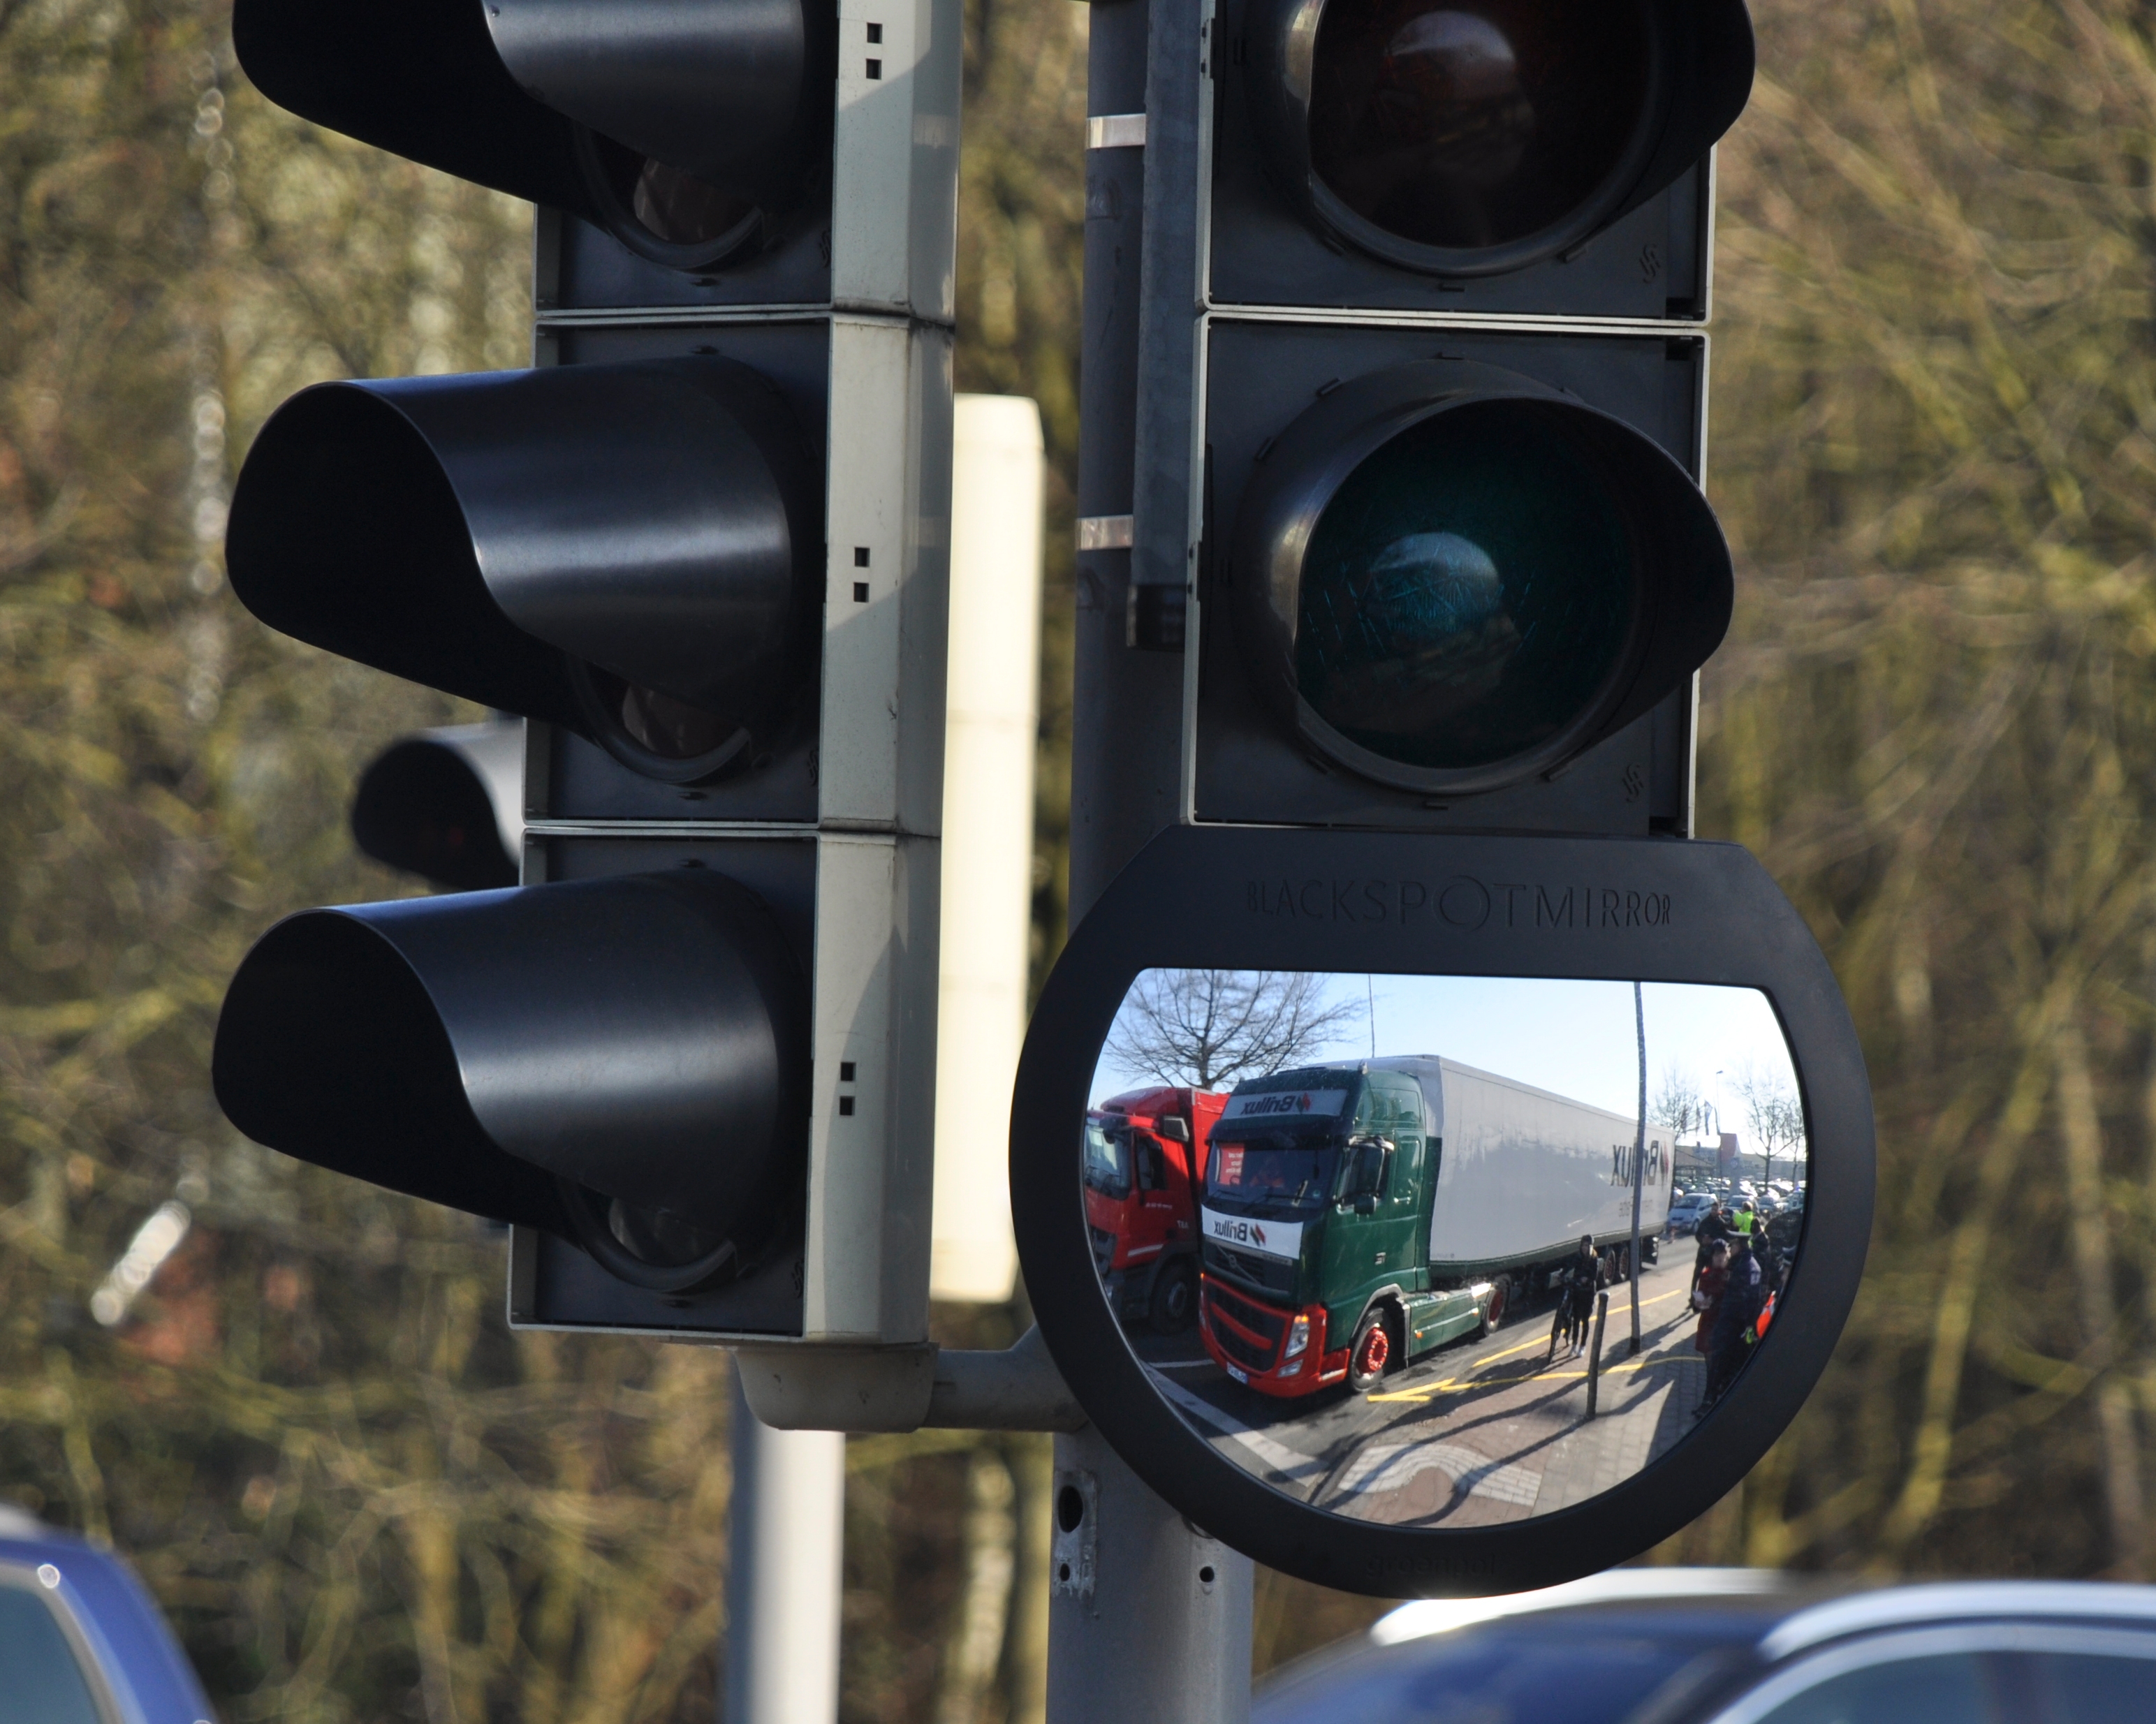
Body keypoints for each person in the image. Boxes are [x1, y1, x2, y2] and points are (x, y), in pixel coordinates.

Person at [1701, 1235, 1765, 1413]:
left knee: (1721, 1366)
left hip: (1733, 1327)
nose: (1730, 1249)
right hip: (1729, 1325)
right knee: (1720, 1367)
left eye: (1733, 1246)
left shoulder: (1748, 1267)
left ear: (1740, 1246)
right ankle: (1710, 1401)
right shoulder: (1740, 1264)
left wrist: (1746, 1328)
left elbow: (1751, 1301)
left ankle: (1710, 1404)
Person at [1553, 1234, 1605, 1358]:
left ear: (1591, 1247)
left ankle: (1583, 1346)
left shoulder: (1594, 1259)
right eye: (1583, 1245)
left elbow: (1594, 1275)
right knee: (1576, 1319)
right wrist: (1561, 1275)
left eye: (1587, 1246)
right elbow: (1570, 1266)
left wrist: (1586, 1280)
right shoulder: (1578, 1257)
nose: (1584, 1248)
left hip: (1588, 1292)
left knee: (1585, 1320)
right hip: (1577, 1290)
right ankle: (1574, 1345)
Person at [1692, 1239, 1731, 1358]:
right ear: (1712, 1256)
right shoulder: (1706, 1275)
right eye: (1717, 1254)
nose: (1720, 1257)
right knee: (1708, 1356)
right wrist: (1698, 1303)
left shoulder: (1730, 1274)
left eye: (1722, 1254)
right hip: (1709, 1321)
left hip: (1724, 1322)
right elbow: (1700, 1295)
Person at [1692, 1202, 1734, 1292]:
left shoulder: (1721, 1223)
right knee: (1697, 1275)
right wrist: (1702, 1240)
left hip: (1713, 1254)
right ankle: (1693, 1296)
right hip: (1703, 1252)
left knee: (1711, 1276)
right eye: (1712, 1210)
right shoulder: (1705, 1221)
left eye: (1715, 1210)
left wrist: (1713, 1241)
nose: (1714, 1212)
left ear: (1719, 1211)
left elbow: (1725, 1238)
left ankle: (1707, 1293)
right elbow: (1698, 1234)